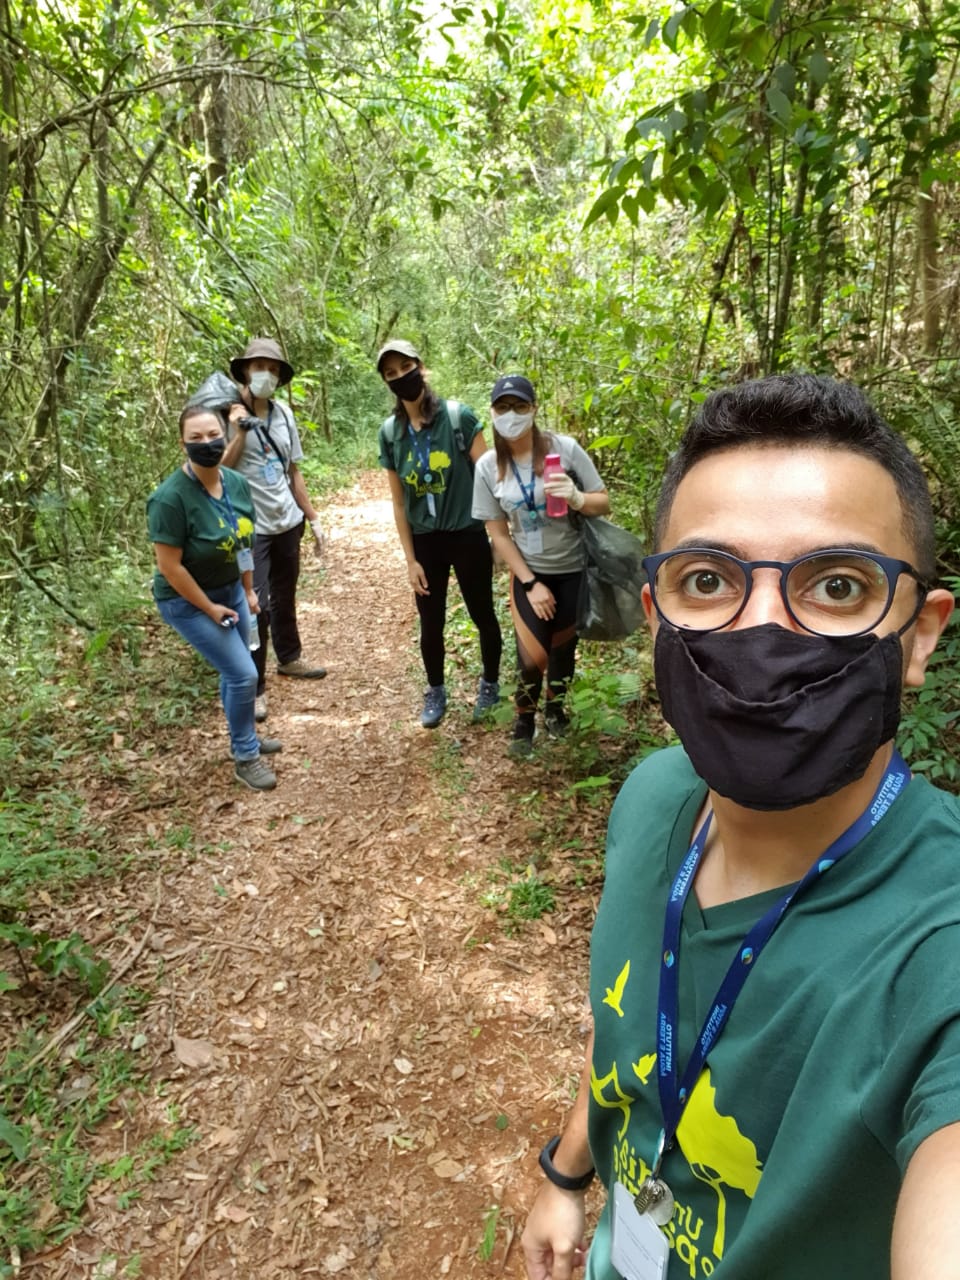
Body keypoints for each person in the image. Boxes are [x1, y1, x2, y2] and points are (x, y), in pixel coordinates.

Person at [520, 374, 959, 1280]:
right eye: (708, 579)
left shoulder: (937, 943)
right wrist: (566, 1172)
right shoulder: (653, 800)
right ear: (655, 617)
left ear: (920, 633)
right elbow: (627, 1034)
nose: (762, 629)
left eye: (838, 584)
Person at [472, 375, 610, 757]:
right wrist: (531, 583)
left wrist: (578, 497)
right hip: (529, 571)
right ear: (493, 412)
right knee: (532, 656)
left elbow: (603, 501)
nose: (511, 415)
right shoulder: (487, 466)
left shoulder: (563, 450)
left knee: (564, 650)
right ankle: (524, 719)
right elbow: (498, 534)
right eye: (503, 407)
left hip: (573, 568)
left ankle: (555, 711)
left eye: (519, 406)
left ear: (533, 409)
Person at [147, 405, 283, 791]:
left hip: (230, 590)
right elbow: (170, 568)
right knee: (244, 674)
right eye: (196, 438)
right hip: (188, 602)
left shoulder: (236, 484)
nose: (207, 443)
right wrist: (209, 608)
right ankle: (245, 756)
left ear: (224, 433)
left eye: (212, 435)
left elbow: (244, 539)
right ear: (183, 445)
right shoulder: (169, 499)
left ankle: (245, 741)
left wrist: (246, 589)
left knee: (236, 671)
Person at [376, 339, 502, 728]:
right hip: (426, 541)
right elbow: (398, 502)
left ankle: (491, 683)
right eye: (391, 373)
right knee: (430, 622)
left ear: (420, 366)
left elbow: (490, 478)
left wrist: (499, 538)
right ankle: (435, 690)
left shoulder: (458, 416)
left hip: (466, 534)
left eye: (405, 367)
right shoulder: (390, 432)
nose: (401, 377)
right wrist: (410, 559)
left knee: (482, 613)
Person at [224, 337, 326, 725]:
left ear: (280, 375)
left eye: (272, 367)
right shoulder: (228, 412)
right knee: (256, 607)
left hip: (287, 520)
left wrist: (312, 517)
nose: (265, 373)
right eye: (258, 366)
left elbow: (293, 470)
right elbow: (219, 469)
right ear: (246, 371)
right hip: (251, 527)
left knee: (285, 595)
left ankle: (290, 657)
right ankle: (254, 689)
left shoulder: (283, 414)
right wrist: (239, 433)